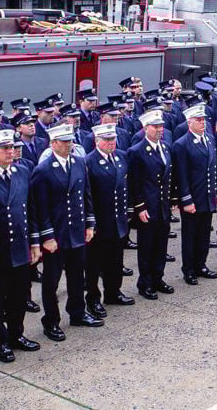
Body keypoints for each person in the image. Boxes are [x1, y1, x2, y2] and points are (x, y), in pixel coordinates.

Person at [0, 130, 42, 363]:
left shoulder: (22, 171)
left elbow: (31, 209)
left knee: (19, 295)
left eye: (12, 148)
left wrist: (34, 242)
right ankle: (0, 342)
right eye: (4, 148)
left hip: (20, 246)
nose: (10, 152)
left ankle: (16, 334)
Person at [31, 124, 100, 340]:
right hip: (57, 234)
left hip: (77, 229)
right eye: (64, 141)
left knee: (77, 275)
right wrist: (47, 236)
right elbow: (39, 207)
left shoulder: (79, 162)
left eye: (70, 141)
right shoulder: (43, 170)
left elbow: (86, 195)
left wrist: (90, 224)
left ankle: (78, 312)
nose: (69, 145)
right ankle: (51, 321)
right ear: (53, 144)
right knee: (52, 281)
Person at [84, 124, 135, 314]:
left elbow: (126, 184)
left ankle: (113, 292)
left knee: (115, 259)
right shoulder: (89, 161)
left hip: (118, 218)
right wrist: (90, 222)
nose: (110, 143)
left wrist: (128, 209)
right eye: (106, 140)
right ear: (97, 141)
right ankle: (93, 299)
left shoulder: (121, 157)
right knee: (94, 264)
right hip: (99, 220)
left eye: (112, 139)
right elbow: (86, 195)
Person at [127, 110, 176, 300]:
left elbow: (168, 178)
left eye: (161, 126)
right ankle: (145, 282)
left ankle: (158, 277)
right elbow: (134, 182)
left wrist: (172, 199)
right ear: (145, 128)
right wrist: (139, 206)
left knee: (161, 244)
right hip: (147, 205)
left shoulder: (165, 148)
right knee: (146, 246)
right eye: (155, 127)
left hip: (162, 204)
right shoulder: (137, 151)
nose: (159, 130)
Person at [172, 104, 217, 285]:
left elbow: (213, 168)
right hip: (193, 197)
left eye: (204, 120)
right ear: (189, 122)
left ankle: (201, 264)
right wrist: (186, 199)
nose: (203, 123)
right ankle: (189, 269)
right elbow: (181, 175)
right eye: (198, 120)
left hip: (207, 195)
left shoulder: (209, 139)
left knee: (204, 233)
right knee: (190, 235)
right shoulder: (182, 144)